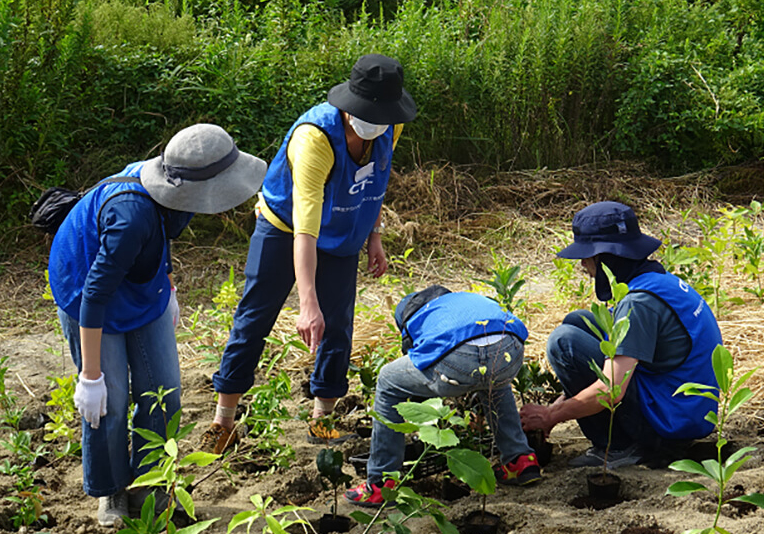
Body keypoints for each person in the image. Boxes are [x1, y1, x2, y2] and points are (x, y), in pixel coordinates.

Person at [48, 124, 266, 527]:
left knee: (164, 393)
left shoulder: (173, 187)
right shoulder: (129, 215)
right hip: (88, 292)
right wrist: (91, 378)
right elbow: (95, 295)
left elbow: (160, 235)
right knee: (108, 405)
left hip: (139, 286)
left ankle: (151, 483)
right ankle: (111, 489)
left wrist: (166, 284)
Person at [200, 53, 417, 452]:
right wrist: (306, 303)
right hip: (285, 229)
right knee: (254, 320)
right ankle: (223, 421)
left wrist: (375, 236)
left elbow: (375, 180)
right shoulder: (314, 138)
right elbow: (304, 229)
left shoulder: (391, 123)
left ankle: (322, 421)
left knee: (338, 326)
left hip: (343, 231)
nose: (376, 120)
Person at [520, 201, 723, 468]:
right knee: (578, 321)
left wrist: (552, 415)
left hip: (672, 423)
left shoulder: (637, 303)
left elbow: (611, 390)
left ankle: (619, 447)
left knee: (564, 343)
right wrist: (561, 403)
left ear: (607, 257)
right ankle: (621, 439)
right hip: (686, 405)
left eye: (587, 256)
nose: (583, 264)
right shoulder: (656, 280)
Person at [344, 285, 542, 507]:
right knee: (495, 379)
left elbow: (420, 364)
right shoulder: (463, 300)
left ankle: (381, 483)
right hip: (511, 347)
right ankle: (520, 459)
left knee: (388, 380)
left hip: (460, 359)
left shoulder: (414, 319)